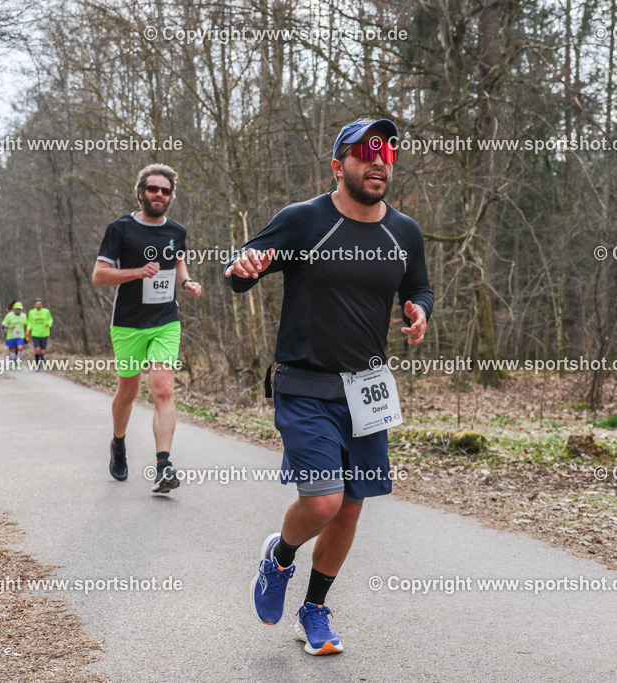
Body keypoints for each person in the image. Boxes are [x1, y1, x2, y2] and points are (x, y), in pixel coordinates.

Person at [225, 118, 433, 656]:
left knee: (351, 506)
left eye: (385, 151)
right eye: (365, 153)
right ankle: (280, 557)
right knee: (323, 501)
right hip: (304, 383)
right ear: (339, 165)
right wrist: (244, 266)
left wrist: (419, 311)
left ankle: (314, 609)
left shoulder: (403, 231)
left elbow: (418, 285)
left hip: (367, 390)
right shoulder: (304, 221)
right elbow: (241, 270)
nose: (378, 160)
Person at [92, 164, 202, 494]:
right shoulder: (120, 228)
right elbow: (99, 275)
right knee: (128, 391)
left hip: (165, 320)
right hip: (127, 324)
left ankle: (163, 465)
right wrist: (137, 272)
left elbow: (178, 260)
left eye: (165, 191)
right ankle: (118, 442)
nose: (158, 195)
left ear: (170, 197)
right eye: (153, 189)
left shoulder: (177, 230)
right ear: (140, 192)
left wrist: (187, 281)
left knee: (163, 389)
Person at [27, 298, 53, 371]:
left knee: (43, 351)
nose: (38, 306)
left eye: (40, 305)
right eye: (37, 305)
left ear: (42, 305)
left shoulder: (46, 311)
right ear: (35, 305)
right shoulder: (31, 312)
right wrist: (28, 329)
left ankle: (42, 357)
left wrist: (49, 324)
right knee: (37, 350)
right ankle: (37, 365)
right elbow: (30, 322)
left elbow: (50, 319)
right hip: (35, 333)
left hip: (44, 333)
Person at [2, 302, 29, 367]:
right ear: (14, 309)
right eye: (17, 309)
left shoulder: (23, 315)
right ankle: (13, 362)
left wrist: (27, 331)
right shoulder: (9, 315)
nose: (18, 310)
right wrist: (9, 327)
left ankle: (19, 361)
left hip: (20, 335)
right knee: (13, 350)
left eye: (19, 309)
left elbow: (27, 324)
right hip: (11, 335)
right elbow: (4, 324)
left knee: (20, 347)